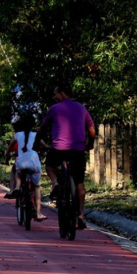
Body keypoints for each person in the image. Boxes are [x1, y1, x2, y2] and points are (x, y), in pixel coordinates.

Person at [40, 83, 96, 229]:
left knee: (50, 166)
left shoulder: (54, 109)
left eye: (56, 94)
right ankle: (81, 215)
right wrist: (90, 144)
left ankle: (55, 183)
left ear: (63, 93)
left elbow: (43, 127)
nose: (54, 97)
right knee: (80, 183)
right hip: (77, 149)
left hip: (58, 148)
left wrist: (36, 142)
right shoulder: (81, 107)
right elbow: (91, 129)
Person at [3, 117, 47, 221]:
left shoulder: (18, 135)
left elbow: (9, 148)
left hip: (21, 162)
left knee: (18, 171)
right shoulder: (36, 135)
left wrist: (7, 158)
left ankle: (17, 187)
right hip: (34, 163)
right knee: (36, 186)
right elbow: (44, 146)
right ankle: (38, 212)